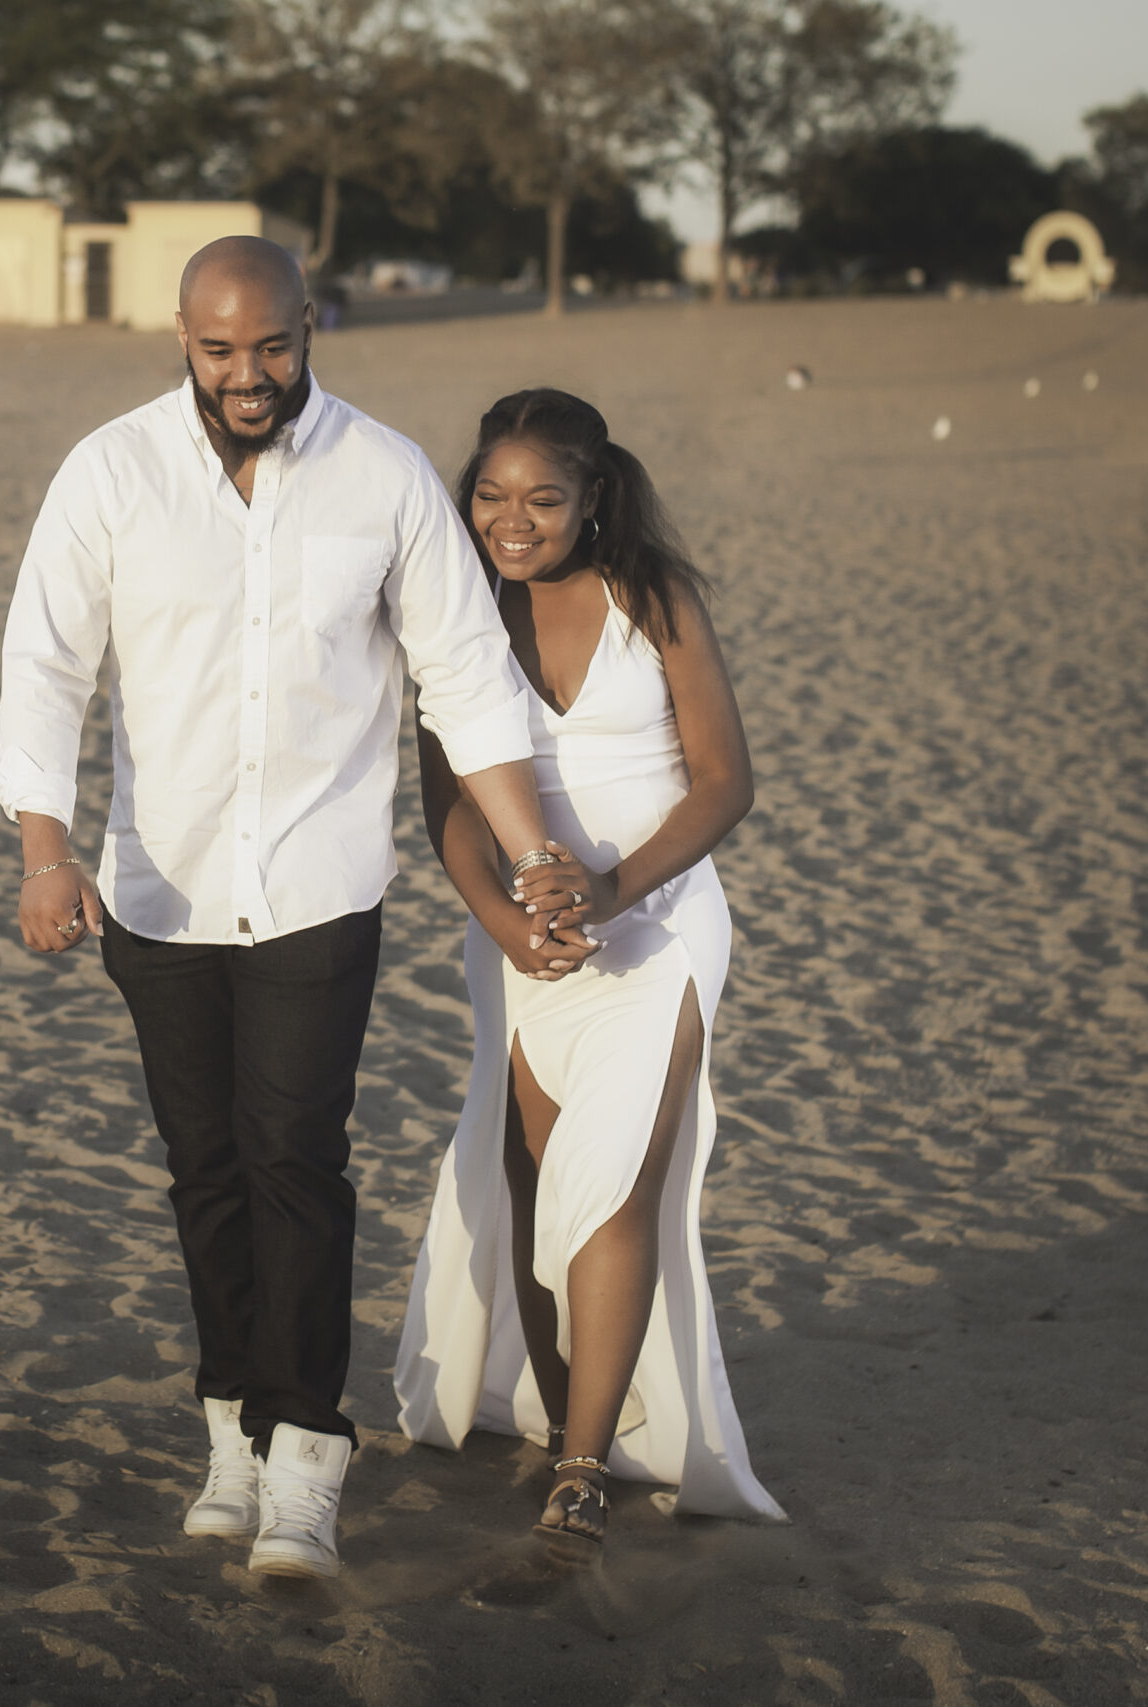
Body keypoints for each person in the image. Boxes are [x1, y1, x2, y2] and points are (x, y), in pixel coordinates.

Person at [0, 239, 596, 1579]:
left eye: (271, 346)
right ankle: (232, 1433)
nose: (247, 375)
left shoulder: (381, 475)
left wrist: (535, 856)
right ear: (181, 338)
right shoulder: (112, 471)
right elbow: (46, 662)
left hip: (321, 888)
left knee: (297, 1162)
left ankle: (308, 1458)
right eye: (219, 352)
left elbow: (467, 678)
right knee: (205, 1172)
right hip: (161, 885)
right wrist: (46, 849)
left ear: (309, 326)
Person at [392, 388, 787, 1551]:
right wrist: (506, 924)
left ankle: (577, 1469)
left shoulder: (649, 600)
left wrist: (614, 892)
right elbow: (448, 805)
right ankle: (573, 1415)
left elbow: (724, 780)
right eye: (490, 494)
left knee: (610, 1180)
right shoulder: (458, 615)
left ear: (592, 498)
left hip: (656, 924)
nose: (511, 519)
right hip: (519, 941)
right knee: (531, 1182)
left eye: (542, 498)